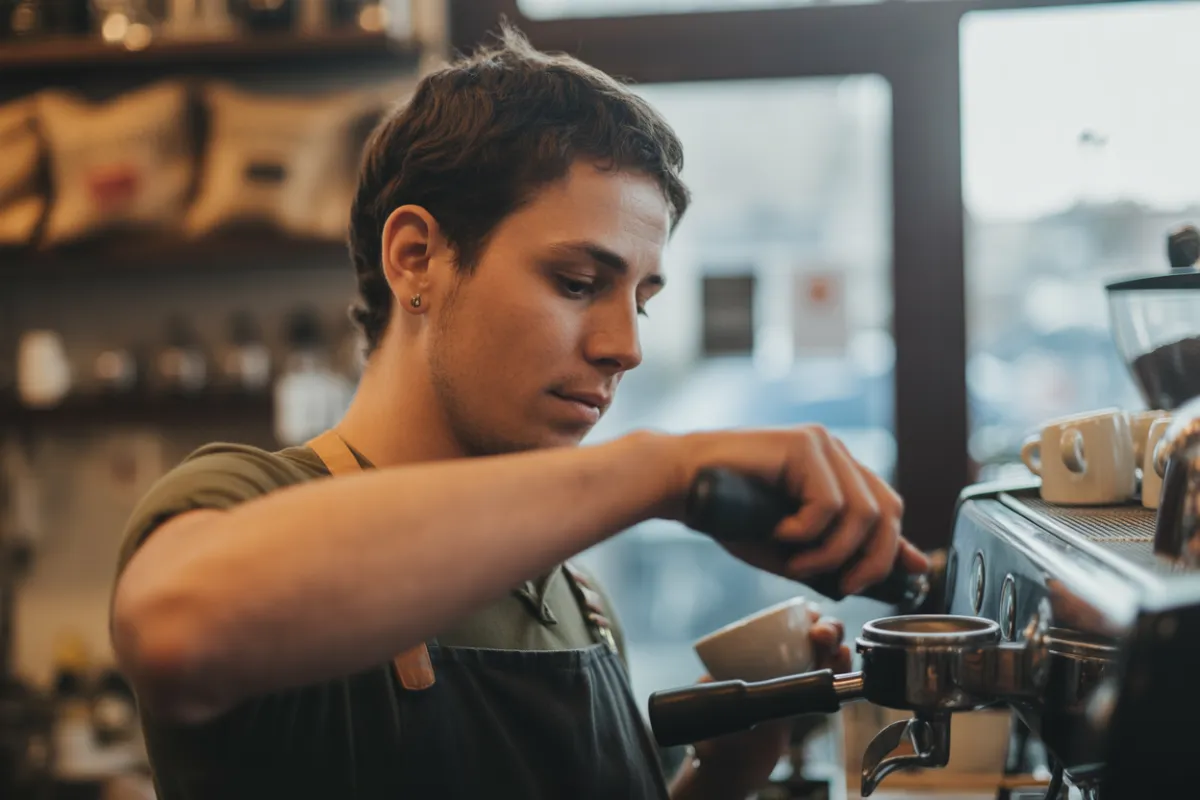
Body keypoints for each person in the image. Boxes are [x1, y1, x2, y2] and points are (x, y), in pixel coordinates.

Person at [109, 24, 930, 800]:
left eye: (640, 301)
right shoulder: (246, 498)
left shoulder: (577, 600)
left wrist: (728, 767)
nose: (625, 347)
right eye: (577, 283)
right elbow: (179, 632)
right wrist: (662, 471)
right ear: (415, 258)